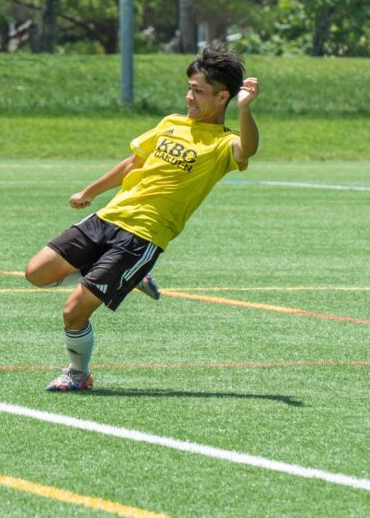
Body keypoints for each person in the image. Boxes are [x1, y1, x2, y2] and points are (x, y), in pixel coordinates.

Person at [24, 43, 260, 392]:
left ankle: (77, 373)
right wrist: (91, 191)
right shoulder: (171, 123)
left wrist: (245, 108)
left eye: (198, 91)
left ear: (222, 96)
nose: (189, 97)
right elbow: (133, 163)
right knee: (36, 273)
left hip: (142, 237)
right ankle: (132, 278)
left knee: (73, 311)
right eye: (189, 88)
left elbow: (248, 149)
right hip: (108, 217)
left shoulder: (224, 144)